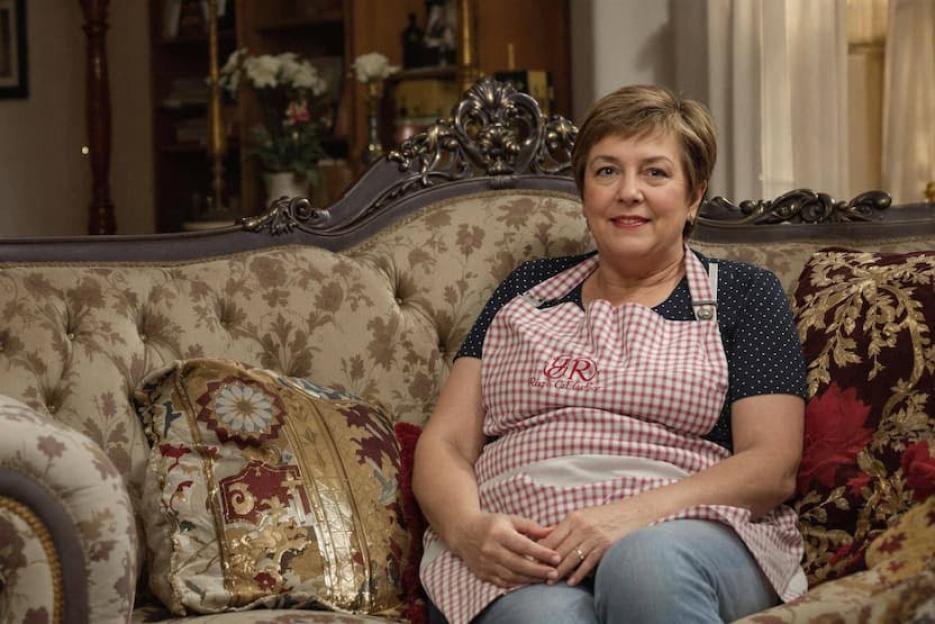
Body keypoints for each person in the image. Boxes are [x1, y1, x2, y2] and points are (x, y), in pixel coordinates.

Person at [412, 84, 808, 624]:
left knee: (643, 564)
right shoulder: (524, 291)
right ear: (583, 191)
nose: (628, 192)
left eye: (655, 172)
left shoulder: (745, 295)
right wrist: (468, 530)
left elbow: (771, 466)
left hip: (683, 531)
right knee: (543, 620)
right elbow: (447, 442)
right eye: (606, 171)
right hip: (525, 552)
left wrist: (629, 518)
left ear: (693, 195)